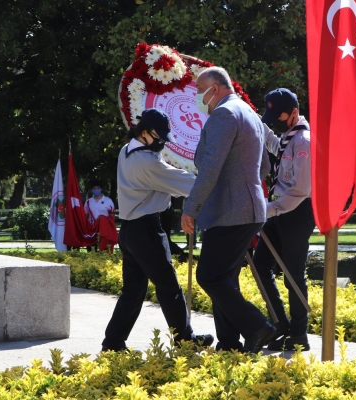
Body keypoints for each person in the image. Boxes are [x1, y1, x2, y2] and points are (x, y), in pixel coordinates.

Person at [180, 66, 276, 353]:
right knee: (225, 278)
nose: (198, 97)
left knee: (209, 276)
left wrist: (191, 207)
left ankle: (257, 326)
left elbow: (210, 167)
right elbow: (264, 166)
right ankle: (229, 343)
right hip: (247, 208)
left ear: (216, 88)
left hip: (229, 211)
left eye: (200, 91)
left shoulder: (224, 114)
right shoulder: (250, 113)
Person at [102, 108, 214, 352]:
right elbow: (187, 183)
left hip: (130, 230)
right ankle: (185, 341)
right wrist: (212, 179)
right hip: (146, 229)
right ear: (144, 132)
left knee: (133, 291)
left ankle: (113, 342)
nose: (162, 141)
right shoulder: (147, 162)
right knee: (168, 287)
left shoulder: (127, 151)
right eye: (159, 136)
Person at [251, 88, 315, 351]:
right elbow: (276, 147)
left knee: (293, 275)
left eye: (279, 116)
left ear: (294, 112)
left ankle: (299, 334)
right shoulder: (289, 137)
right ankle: (280, 323)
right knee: (260, 265)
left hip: (296, 212)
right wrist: (256, 120)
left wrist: (269, 209)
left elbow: (301, 190)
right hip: (278, 210)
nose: (276, 121)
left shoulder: (304, 142)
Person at [84, 180, 117, 252]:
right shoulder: (88, 202)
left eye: (98, 188)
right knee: (91, 251)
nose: (96, 190)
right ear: (92, 189)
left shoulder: (108, 201)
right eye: (94, 188)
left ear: (101, 189)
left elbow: (112, 217)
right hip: (92, 230)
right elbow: (85, 216)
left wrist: (103, 219)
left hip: (104, 229)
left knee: (104, 251)